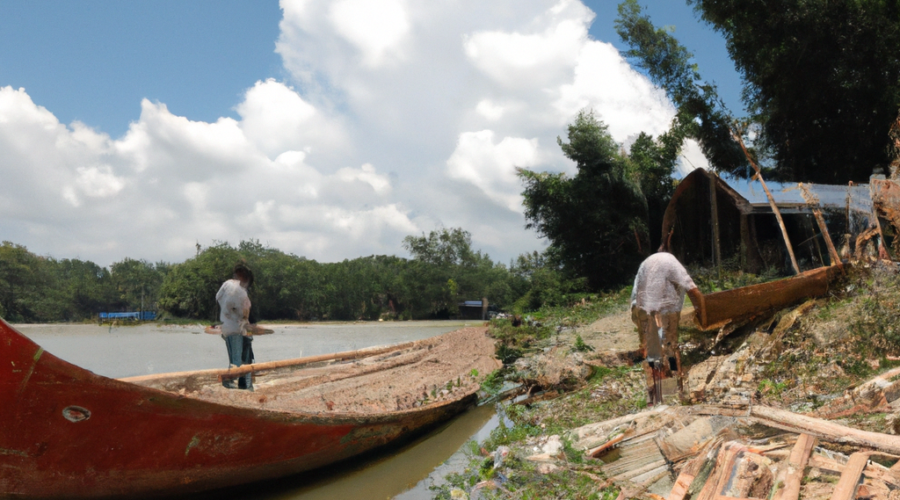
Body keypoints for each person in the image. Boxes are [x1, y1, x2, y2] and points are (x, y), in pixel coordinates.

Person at [630, 252, 704, 405]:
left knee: (652, 351)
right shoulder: (674, 266)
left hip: (639, 306)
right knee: (669, 348)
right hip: (661, 308)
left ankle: (655, 398)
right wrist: (704, 315)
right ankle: (674, 394)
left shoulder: (652, 263)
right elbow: (694, 292)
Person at [216, 262, 255, 390]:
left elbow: (218, 298)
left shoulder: (227, 285)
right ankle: (232, 383)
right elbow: (243, 313)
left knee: (239, 358)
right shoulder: (241, 292)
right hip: (237, 329)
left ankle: (243, 385)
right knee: (239, 361)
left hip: (229, 328)